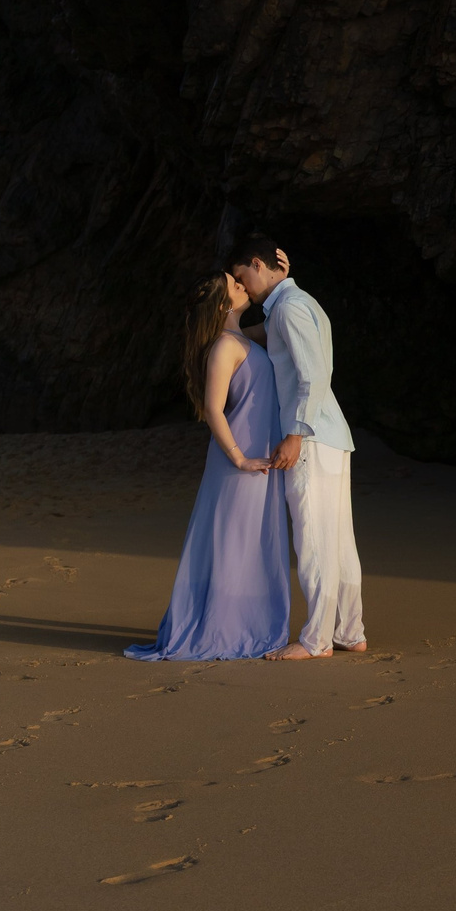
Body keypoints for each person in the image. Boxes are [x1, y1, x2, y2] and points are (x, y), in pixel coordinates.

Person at [124, 272, 292, 661]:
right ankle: (223, 629)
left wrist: (282, 278)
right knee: (233, 544)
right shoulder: (223, 347)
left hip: (256, 459)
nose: (242, 286)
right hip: (239, 461)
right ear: (222, 305)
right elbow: (213, 409)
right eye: (235, 285)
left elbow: (280, 322)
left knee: (251, 544)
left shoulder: (241, 339)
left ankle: (247, 624)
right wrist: (237, 457)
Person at [227, 238, 365, 659]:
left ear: (258, 264)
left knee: (314, 539)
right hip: (330, 436)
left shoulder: (288, 308)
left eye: (241, 277)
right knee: (338, 540)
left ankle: (317, 640)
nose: (241, 285)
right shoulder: (294, 304)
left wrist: (295, 434)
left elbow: (314, 374)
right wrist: (231, 312)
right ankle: (348, 631)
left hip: (312, 437)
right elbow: (248, 335)